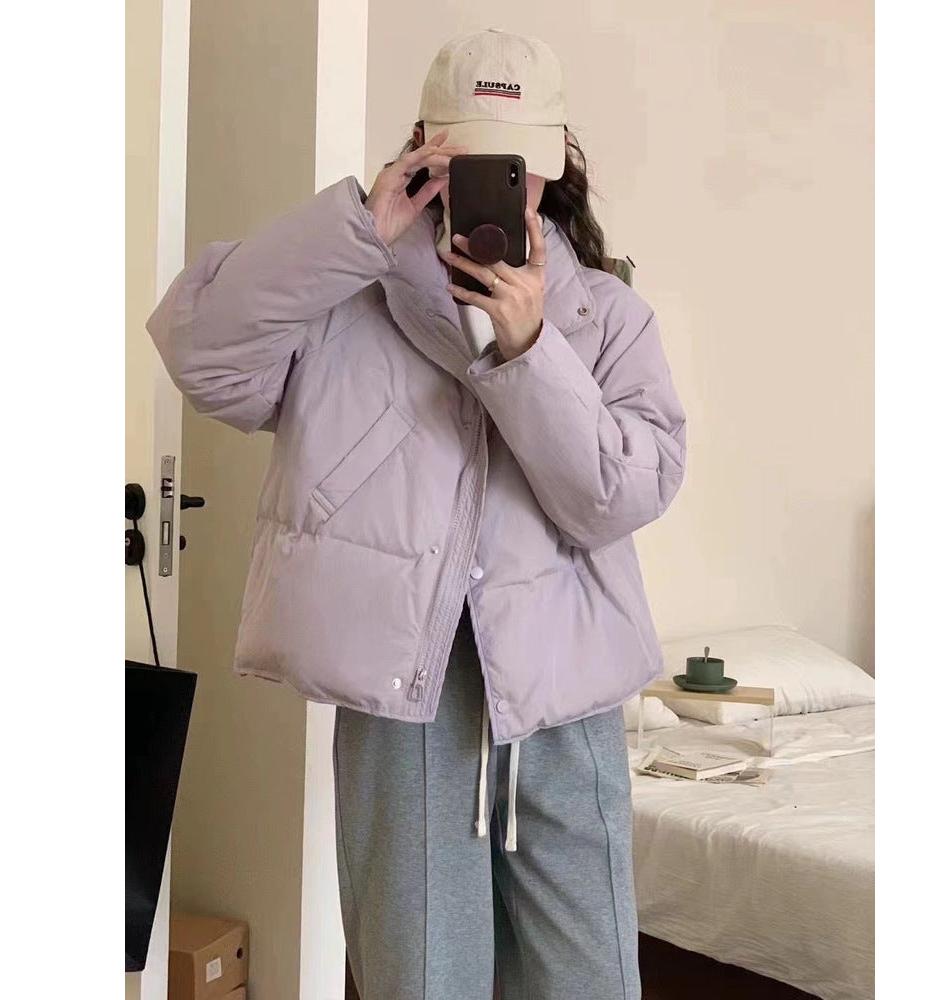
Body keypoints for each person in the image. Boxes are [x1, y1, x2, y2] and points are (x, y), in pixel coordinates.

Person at [147, 27, 686, 1000]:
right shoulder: (343, 300)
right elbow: (199, 349)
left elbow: (621, 494)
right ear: (426, 153)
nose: (499, 187)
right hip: (403, 697)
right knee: (419, 981)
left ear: (554, 162)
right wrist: (356, 230)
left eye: (517, 165)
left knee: (590, 981)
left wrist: (530, 350)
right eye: (471, 160)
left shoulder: (605, 316)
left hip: (565, 695)